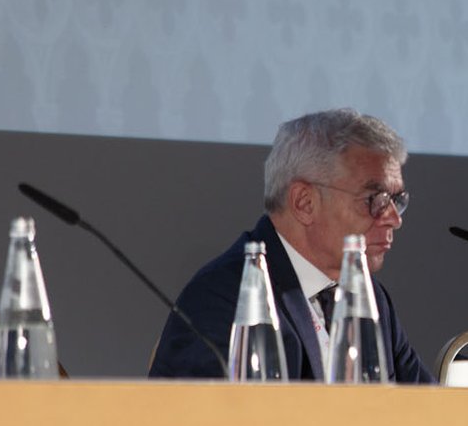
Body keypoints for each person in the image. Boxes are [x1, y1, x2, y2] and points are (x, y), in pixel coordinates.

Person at [149, 108, 433, 382]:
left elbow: (429, 405)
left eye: (397, 201)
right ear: (304, 203)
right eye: (376, 199)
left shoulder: (371, 299)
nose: (394, 219)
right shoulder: (226, 298)